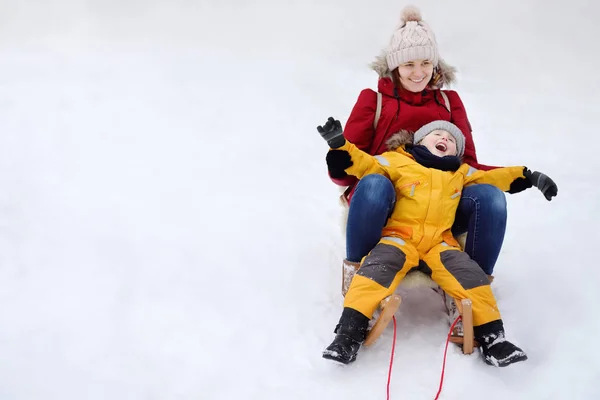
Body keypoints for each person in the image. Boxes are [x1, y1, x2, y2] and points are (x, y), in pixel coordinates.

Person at [317, 116, 558, 367]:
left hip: (440, 244)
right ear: (420, 140)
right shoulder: (396, 160)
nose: (445, 139)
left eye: (452, 140)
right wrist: (339, 144)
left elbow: (495, 177)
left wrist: (530, 176)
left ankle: (493, 338)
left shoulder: (461, 173)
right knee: (374, 273)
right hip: (400, 237)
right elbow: (362, 163)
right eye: (438, 135)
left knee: (471, 278)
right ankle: (348, 333)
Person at [333, 6, 506, 278]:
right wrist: (339, 159)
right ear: (395, 65)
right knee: (375, 183)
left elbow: (468, 166)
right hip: (385, 200)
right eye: (409, 64)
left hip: (440, 203)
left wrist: (517, 178)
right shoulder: (373, 101)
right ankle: (359, 278)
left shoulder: (450, 103)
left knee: (491, 197)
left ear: (435, 65)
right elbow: (348, 171)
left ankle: (471, 288)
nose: (418, 73)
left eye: (426, 63)